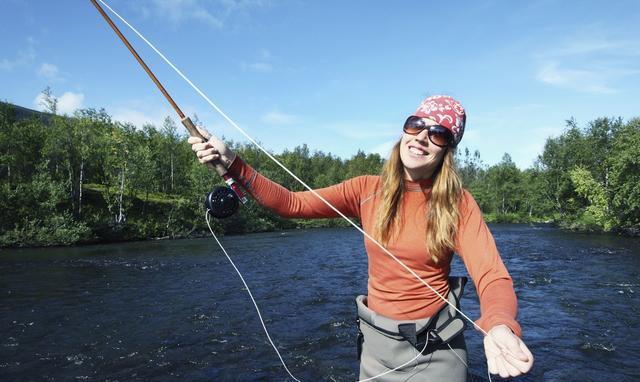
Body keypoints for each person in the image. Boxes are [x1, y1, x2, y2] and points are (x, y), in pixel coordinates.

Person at [189, 95, 534, 381]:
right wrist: (230, 160)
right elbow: (291, 202)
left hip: (436, 356)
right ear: (404, 131)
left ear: (447, 149)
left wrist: (500, 325)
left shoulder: (458, 203)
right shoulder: (366, 189)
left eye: (438, 133)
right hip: (375, 350)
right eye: (416, 125)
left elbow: (491, 275)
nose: (422, 137)